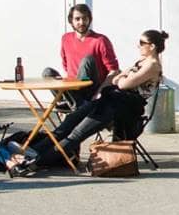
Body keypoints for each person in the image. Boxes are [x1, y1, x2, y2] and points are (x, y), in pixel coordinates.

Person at [46, 29, 166, 164]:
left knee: (77, 134)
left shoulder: (152, 66)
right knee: (71, 120)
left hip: (122, 108)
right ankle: (33, 151)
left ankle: (39, 160)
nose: (138, 45)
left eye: (141, 42)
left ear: (152, 46)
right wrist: (122, 78)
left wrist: (122, 79)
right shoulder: (142, 61)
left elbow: (123, 84)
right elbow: (118, 78)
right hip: (111, 100)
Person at [59, 3, 119, 83]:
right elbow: (66, 65)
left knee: (87, 60)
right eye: (77, 19)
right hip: (72, 87)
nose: (81, 22)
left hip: (92, 88)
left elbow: (114, 71)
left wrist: (100, 92)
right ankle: (65, 95)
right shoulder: (66, 38)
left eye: (84, 18)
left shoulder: (100, 40)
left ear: (89, 19)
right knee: (48, 72)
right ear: (71, 21)